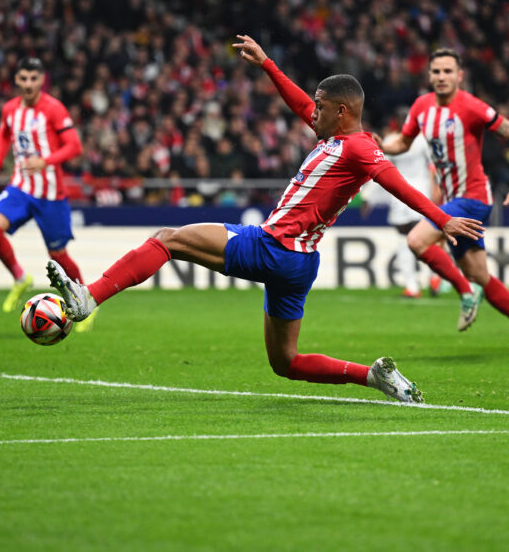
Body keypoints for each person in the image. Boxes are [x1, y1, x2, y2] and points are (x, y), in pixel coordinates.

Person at [45, 35, 484, 403]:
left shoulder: (360, 148)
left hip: (275, 247)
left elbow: (395, 184)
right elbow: (298, 104)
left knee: (168, 239)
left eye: (320, 106)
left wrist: (441, 218)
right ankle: (375, 376)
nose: (311, 111)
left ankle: (88, 299)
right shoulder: (336, 137)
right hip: (297, 262)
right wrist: (268, 65)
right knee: (286, 363)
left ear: (342, 111)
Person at [380, 48, 509, 354]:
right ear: (429, 76)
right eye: (436, 72)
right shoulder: (421, 106)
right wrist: (382, 145)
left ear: (460, 76)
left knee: (417, 240)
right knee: (479, 273)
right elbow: (402, 142)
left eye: (447, 71)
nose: (441, 77)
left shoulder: (471, 106)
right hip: (454, 200)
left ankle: (465, 292)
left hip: (474, 197)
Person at [0, 58, 97, 329]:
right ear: (17, 80)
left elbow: (75, 146)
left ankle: (87, 299)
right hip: (20, 187)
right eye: (24, 78)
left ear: (42, 80)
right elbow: (2, 137)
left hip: (50, 193)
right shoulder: (10, 109)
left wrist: (46, 161)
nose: (29, 84)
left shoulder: (53, 109)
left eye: (34, 78)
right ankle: (21, 278)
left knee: (58, 256)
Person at [361, 110, 438, 298]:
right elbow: (434, 166)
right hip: (421, 195)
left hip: (403, 196)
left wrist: (367, 198)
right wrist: (437, 189)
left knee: (405, 239)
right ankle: (434, 276)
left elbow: (378, 169)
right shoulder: (422, 140)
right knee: (425, 238)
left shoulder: (392, 140)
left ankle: (413, 286)